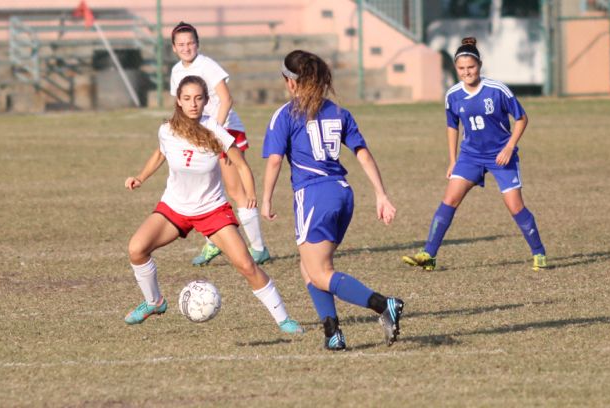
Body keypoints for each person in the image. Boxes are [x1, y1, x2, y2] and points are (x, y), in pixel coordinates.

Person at [123, 75, 303, 335]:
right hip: (174, 208)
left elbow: (240, 165)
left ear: (206, 101)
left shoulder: (215, 131)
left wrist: (250, 193)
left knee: (246, 265)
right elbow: (160, 152)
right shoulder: (166, 130)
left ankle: (284, 320)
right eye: (187, 98)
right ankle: (154, 303)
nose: (193, 104)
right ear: (179, 102)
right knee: (136, 249)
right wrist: (140, 177)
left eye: (198, 98)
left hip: (212, 211)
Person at [261, 50, 405, 350]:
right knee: (309, 266)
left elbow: (274, 161)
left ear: (290, 82)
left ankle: (383, 304)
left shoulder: (285, 115)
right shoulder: (339, 112)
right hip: (342, 193)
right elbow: (362, 154)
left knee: (320, 272)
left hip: (313, 195)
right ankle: (333, 333)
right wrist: (381, 194)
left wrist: (266, 199)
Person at [402, 37, 547, 272]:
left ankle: (539, 252)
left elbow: (521, 118)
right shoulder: (453, 95)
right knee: (449, 200)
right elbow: (452, 126)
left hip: (501, 156)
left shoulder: (497, 90)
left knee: (515, 206)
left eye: (471, 67)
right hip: (470, 156)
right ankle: (429, 254)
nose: (467, 72)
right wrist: (452, 160)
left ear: (479, 66)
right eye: (461, 69)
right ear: (456, 69)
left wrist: (509, 147)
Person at [169, 21, 270, 266]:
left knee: (236, 191)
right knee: (204, 190)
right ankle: (213, 243)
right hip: (201, 137)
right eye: (181, 44)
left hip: (225, 132)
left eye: (191, 42)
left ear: (198, 44)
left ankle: (258, 249)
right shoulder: (176, 71)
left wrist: (215, 132)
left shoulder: (207, 66)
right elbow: (181, 108)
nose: (186, 47)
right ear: (173, 48)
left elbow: (226, 99)